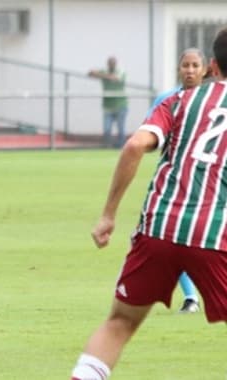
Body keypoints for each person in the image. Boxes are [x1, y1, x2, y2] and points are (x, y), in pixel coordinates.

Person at [71, 28, 227, 380]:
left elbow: (133, 146)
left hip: (157, 227)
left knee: (120, 323)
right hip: (212, 234)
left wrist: (108, 215)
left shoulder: (178, 102)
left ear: (212, 66)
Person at [145, 47, 208, 314]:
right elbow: (149, 134)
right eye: (186, 65)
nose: (190, 71)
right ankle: (191, 296)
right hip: (175, 184)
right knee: (172, 240)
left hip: (210, 182)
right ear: (179, 68)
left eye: (195, 65)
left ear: (206, 69)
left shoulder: (216, 100)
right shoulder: (166, 99)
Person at [88, 56, 128, 148]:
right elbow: (90, 73)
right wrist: (97, 73)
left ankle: (122, 147)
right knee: (107, 129)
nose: (111, 65)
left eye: (113, 63)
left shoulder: (120, 71)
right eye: (110, 63)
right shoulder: (105, 71)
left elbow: (115, 78)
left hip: (120, 105)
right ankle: (108, 146)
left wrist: (101, 75)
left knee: (121, 129)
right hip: (108, 106)